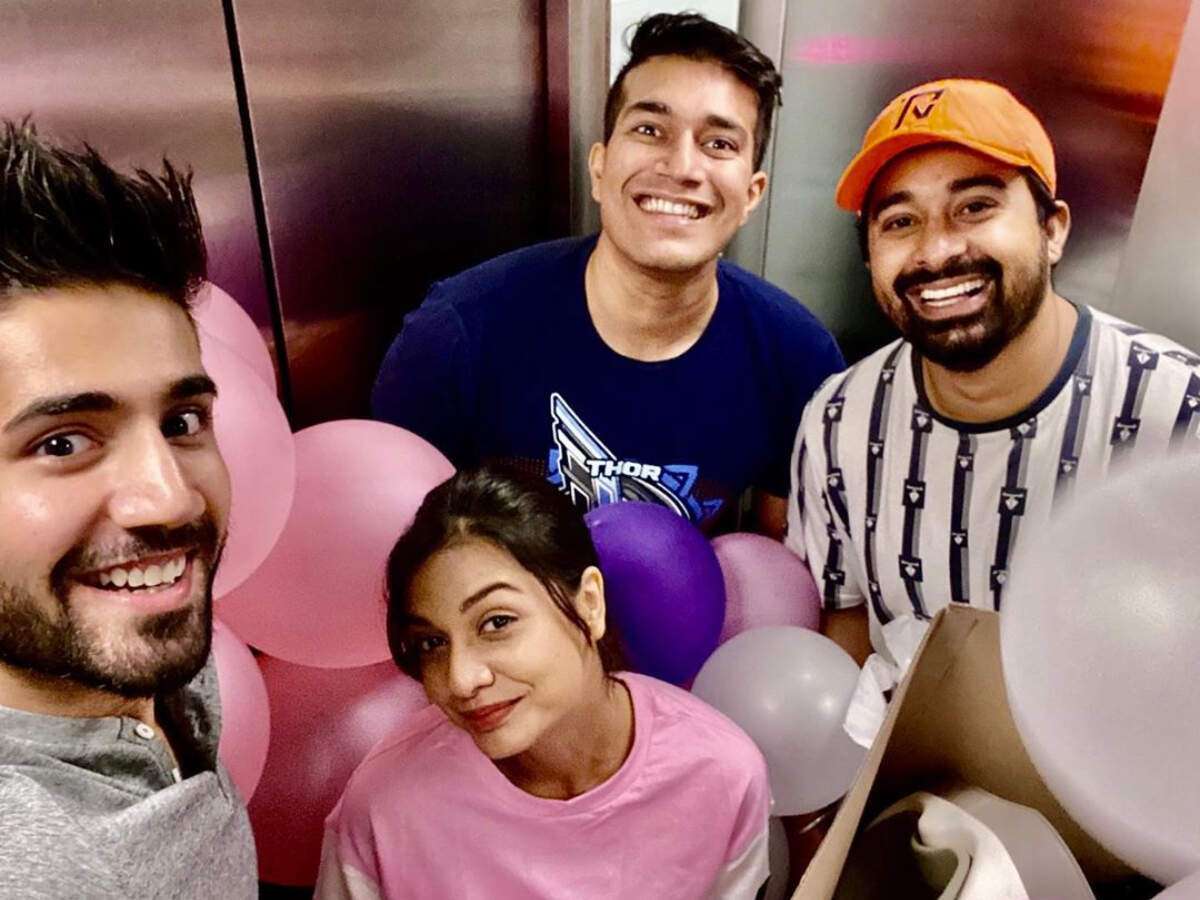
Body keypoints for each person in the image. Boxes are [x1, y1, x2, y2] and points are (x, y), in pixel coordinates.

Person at [372, 13, 843, 537]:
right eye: (650, 130)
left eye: (719, 144)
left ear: (752, 194)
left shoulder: (796, 358)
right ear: (599, 168)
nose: (682, 167)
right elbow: (400, 550)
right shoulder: (454, 335)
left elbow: (785, 558)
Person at [787, 78, 1200, 662]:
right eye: (900, 221)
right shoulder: (838, 421)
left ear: (1052, 230)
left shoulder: (1181, 418)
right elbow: (846, 627)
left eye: (975, 207)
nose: (937, 251)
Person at [0, 120, 256, 896]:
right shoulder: (40, 867)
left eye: (182, 422)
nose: (170, 498)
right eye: (62, 442)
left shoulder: (125, 639)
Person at [315, 467, 771, 899]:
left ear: (590, 603)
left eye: (497, 622)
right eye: (432, 643)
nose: (461, 679)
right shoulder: (384, 806)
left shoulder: (721, 774)